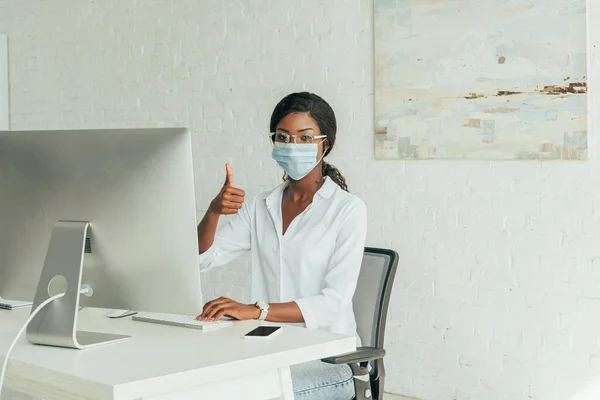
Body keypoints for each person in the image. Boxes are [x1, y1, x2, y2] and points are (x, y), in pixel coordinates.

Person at [196, 92, 367, 400]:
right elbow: (202, 259)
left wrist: (255, 311)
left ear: (324, 145)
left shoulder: (347, 210)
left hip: (327, 362)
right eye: (283, 137)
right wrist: (213, 212)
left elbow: (333, 303)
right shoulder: (262, 205)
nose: (293, 146)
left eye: (305, 138)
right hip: (269, 352)